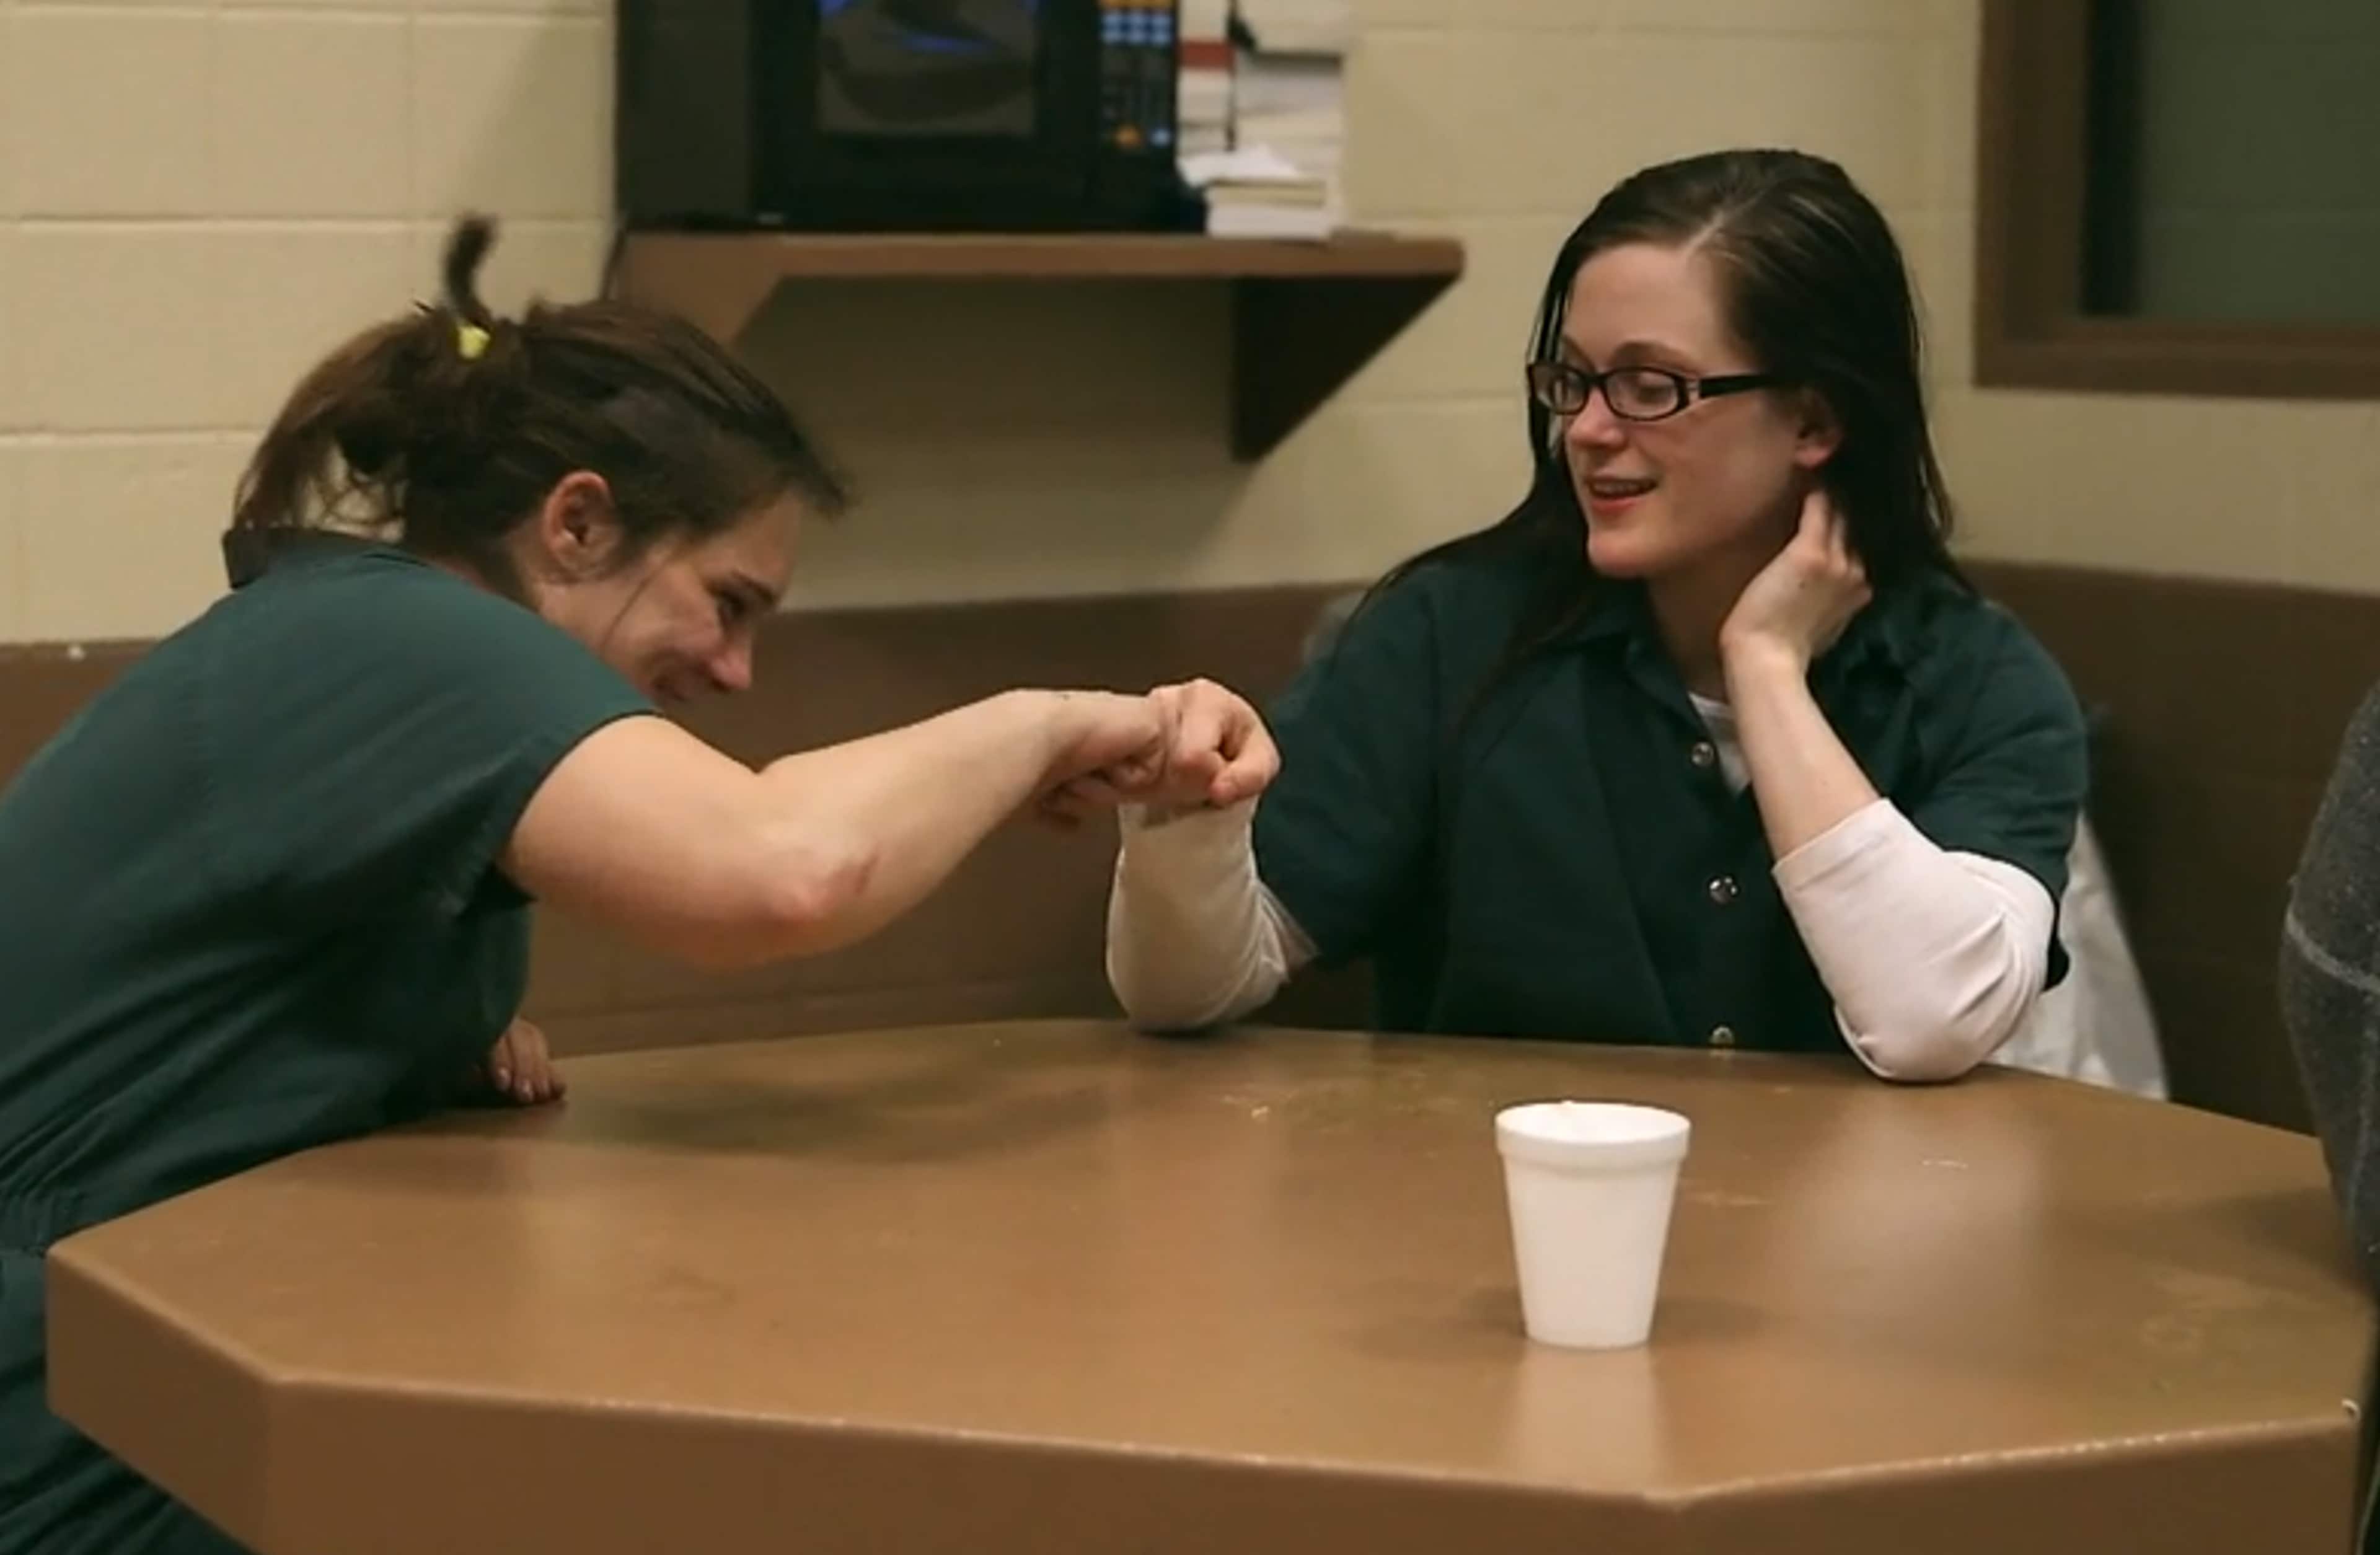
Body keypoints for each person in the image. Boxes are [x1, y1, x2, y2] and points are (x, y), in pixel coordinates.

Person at [0, 217, 1254, 1554]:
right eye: (729, 601)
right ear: (580, 524)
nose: (736, 671)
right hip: (75, 1421)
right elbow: (782, 873)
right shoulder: (402, 638)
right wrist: (1049, 723)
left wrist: (430, 1035)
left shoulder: (368, 645)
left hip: (163, 1362)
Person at [1100, 148, 2089, 1081]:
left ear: (1815, 420)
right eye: (1572, 380)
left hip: (1846, 1209)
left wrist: (1765, 665)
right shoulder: (1451, 633)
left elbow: (1928, 1022)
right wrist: (1185, 822)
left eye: (1651, 387)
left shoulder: (1981, 681)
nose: (1587, 428)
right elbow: (1190, 989)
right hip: (1490, 1194)